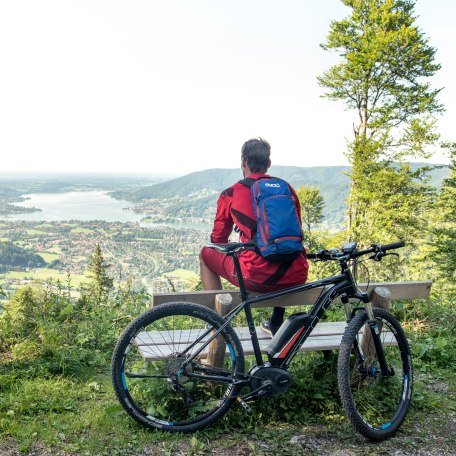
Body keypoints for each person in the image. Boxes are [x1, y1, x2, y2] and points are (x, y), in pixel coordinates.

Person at [200, 138, 309, 336]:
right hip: (296, 275)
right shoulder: (287, 189)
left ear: (243, 162)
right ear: (268, 164)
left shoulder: (232, 193)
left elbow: (218, 240)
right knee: (281, 250)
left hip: (257, 277)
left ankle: (216, 322)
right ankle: (275, 322)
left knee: (205, 255)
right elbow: (293, 234)